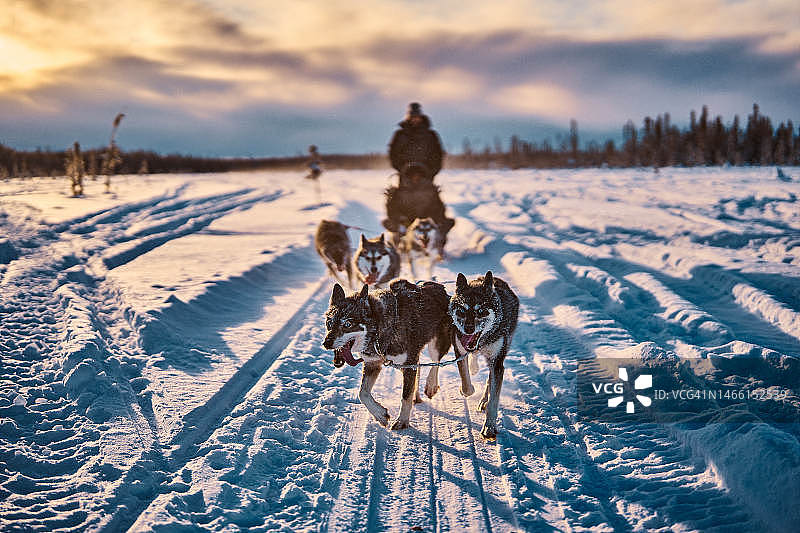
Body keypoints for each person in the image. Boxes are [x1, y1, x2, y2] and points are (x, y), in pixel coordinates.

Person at [388, 102, 444, 186]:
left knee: (428, 196)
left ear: (421, 117)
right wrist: (401, 168)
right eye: (412, 117)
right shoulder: (400, 134)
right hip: (405, 174)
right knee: (402, 197)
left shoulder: (431, 135)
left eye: (417, 117)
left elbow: (438, 153)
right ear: (408, 117)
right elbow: (393, 153)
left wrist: (432, 171)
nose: (415, 119)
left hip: (427, 175)